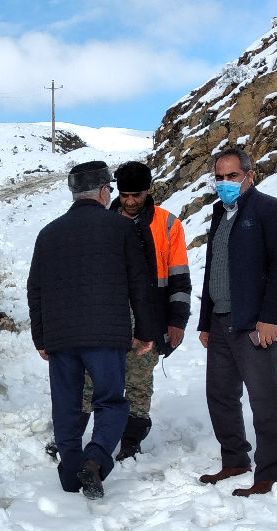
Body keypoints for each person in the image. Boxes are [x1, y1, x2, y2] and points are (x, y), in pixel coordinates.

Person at [28, 161, 162, 500]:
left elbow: (36, 289)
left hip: (61, 338)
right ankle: (97, 457)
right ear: (104, 191)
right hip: (106, 336)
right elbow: (139, 284)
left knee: (66, 405)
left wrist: (41, 338)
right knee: (111, 402)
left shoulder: (49, 233)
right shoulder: (121, 229)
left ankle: (71, 474)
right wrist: (146, 331)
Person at [196, 148, 277, 496]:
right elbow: (214, 269)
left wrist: (270, 318)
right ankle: (235, 459)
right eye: (219, 177)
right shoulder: (219, 214)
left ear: (249, 176)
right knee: (220, 395)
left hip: (254, 323)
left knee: (264, 398)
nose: (225, 183)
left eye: (232, 176)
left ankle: (270, 471)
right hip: (221, 320)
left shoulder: (271, 211)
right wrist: (205, 321)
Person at [108, 161, 191, 460]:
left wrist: (177, 321)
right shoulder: (104, 221)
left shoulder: (168, 224)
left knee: (139, 380)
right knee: (95, 378)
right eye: (125, 194)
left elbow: (180, 277)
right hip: (110, 315)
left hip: (151, 316)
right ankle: (90, 435)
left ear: (149, 191)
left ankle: (132, 439)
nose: (130, 202)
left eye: (137, 195)